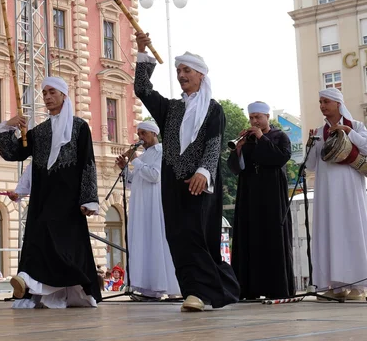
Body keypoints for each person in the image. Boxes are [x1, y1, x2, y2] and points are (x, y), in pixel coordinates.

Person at [134, 32, 239, 312]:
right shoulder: (171, 108)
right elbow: (143, 90)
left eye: (187, 70)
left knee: (198, 236)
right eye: (179, 70)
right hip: (172, 182)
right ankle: (196, 291)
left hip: (199, 183)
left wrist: (205, 171)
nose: (181, 75)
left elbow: (215, 142)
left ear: (201, 75)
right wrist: (142, 53)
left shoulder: (213, 109)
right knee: (178, 236)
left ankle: (205, 293)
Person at [0, 76, 101, 309]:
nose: (48, 97)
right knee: (39, 240)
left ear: (64, 94)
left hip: (70, 200)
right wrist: (9, 126)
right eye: (44, 93)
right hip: (43, 197)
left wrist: (89, 199)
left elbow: (87, 163)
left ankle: (60, 287)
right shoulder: (39, 132)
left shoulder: (80, 126)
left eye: (52, 92)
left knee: (66, 245)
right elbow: (13, 153)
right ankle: (32, 287)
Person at [227, 101, 295, 300]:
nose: (254, 121)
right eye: (252, 118)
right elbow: (235, 168)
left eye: (258, 117)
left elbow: (280, 158)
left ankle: (276, 288)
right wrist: (237, 150)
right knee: (249, 238)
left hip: (272, 195)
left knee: (272, 238)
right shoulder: (245, 139)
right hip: (249, 194)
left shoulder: (279, 136)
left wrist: (261, 138)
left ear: (267, 117)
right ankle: (249, 289)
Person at [306, 88, 367, 300]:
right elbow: (310, 165)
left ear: (338, 104)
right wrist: (311, 144)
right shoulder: (318, 133)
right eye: (320, 101)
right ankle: (336, 287)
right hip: (326, 194)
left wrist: (348, 133)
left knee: (351, 232)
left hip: (350, 191)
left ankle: (358, 287)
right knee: (330, 233)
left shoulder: (357, 126)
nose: (322, 106)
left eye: (326, 102)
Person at [116, 121, 180, 301]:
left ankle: (167, 287)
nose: (140, 138)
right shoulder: (143, 156)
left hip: (153, 206)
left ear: (153, 134)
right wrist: (125, 170)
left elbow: (155, 176)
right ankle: (149, 290)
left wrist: (134, 160)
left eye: (144, 134)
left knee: (156, 243)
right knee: (144, 244)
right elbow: (133, 183)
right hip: (140, 207)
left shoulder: (161, 152)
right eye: (139, 134)